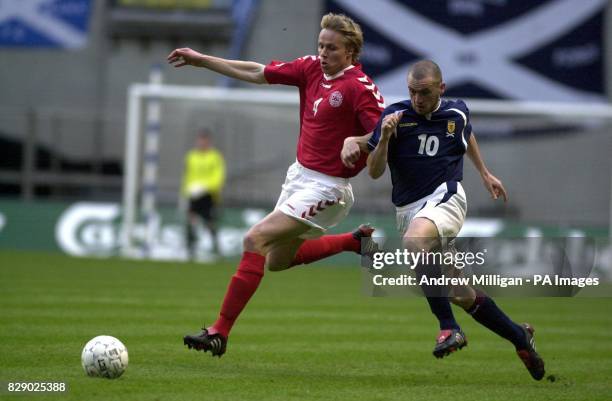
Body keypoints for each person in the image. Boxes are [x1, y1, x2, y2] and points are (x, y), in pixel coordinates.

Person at [168, 13, 384, 357]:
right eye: (321, 45)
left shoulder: (360, 87)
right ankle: (352, 243)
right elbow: (257, 72)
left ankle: (219, 331)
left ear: (351, 52)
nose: (324, 53)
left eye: (332, 48)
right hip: (299, 177)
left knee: (255, 239)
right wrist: (203, 61)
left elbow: (384, 131)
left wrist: (357, 140)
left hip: (328, 187)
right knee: (277, 261)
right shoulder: (311, 68)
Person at [341, 60, 545, 381]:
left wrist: (484, 173)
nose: (417, 99)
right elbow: (376, 171)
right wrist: (384, 139)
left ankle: (449, 328)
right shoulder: (395, 117)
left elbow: (466, 137)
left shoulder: (456, 113)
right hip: (408, 210)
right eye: (412, 92)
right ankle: (520, 337)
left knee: (413, 242)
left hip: (445, 199)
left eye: (424, 92)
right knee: (460, 293)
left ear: (441, 88)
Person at [182, 129, 226, 258]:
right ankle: (190, 250)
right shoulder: (191, 156)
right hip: (193, 195)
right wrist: (187, 190)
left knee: (209, 223)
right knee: (191, 220)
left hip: (208, 195)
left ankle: (216, 249)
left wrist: (205, 187)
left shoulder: (215, 157)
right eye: (200, 140)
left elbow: (218, 177)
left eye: (204, 140)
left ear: (209, 141)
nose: (202, 143)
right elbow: (187, 175)